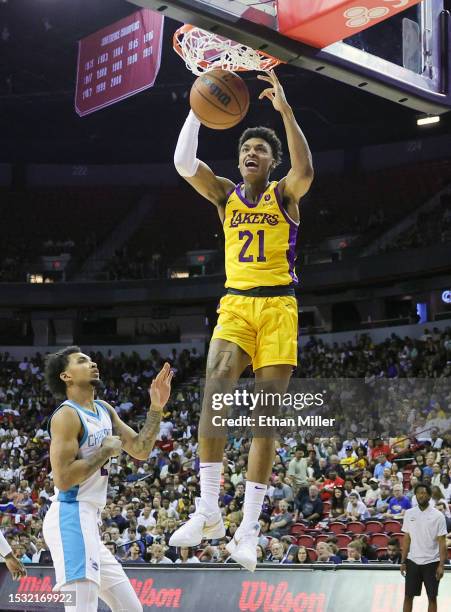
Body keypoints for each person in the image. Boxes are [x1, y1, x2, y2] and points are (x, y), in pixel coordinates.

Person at [170, 70, 314, 572]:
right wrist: (197, 106)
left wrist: (286, 114)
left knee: (264, 423)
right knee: (215, 394)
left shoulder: (284, 196)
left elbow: (307, 170)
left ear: (271, 162)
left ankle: (249, 530)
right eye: (245, 148)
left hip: (278, 307)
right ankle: (209, 509)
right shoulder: (225, 195)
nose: (250, 153)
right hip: (235, 304)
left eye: (259, 149)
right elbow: (183, 162)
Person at [42, 346, 173, 612]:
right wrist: (104, 452)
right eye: (82, 361)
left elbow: (140, 449)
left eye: (91, 360)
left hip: (90, 520)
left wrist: (156, 407)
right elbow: (63, 479)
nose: (92, 364)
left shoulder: (103, 409)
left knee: (131, 609)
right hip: (71, 516)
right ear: (66, 376)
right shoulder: (66, 415)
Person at [401, 483, 447, 612]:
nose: (422, 495)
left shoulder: (438, 516)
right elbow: (406, 538)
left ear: (430, 495)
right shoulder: (409, 513)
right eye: (419, 493)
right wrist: (403, 561)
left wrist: (441, 565)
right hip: (412, 561)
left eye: (424, 493)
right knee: (408, 596)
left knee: (432, 598)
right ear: (415, 495)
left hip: (432, 562)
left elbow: (442, 542)